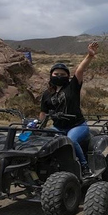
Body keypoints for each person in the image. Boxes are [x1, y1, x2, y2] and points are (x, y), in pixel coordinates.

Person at [39, 42, 98, 176]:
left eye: (62, 74)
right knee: (42, 139)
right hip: (58, 127)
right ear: (51, 75)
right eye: (56, 73)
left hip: (77, 125)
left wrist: (89, 56)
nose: (59, 76)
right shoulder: (47, 94)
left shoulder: (72, 87)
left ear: (67, 76)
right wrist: (38, 125)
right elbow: (43, 112)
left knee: (71, 141)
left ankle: (84, 167)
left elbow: (80, 70)